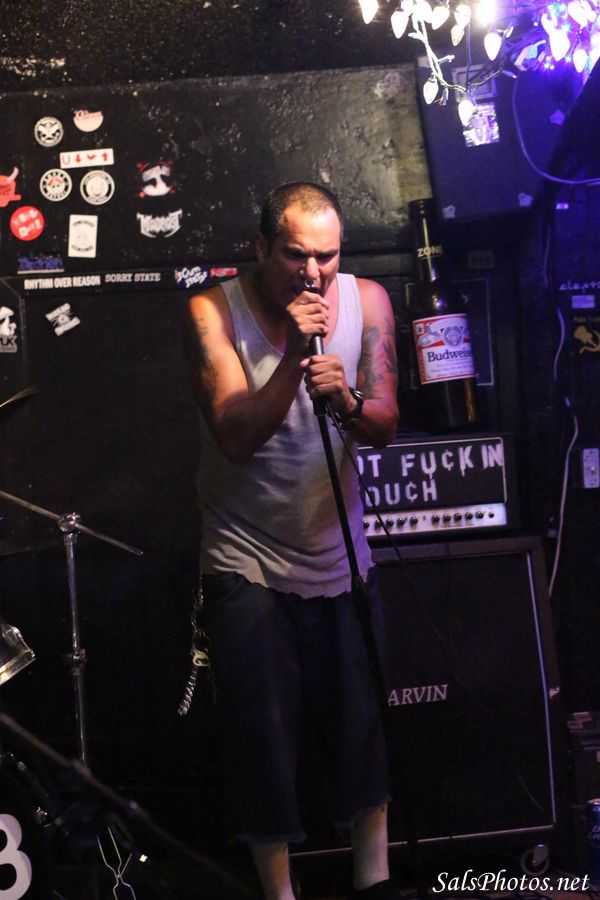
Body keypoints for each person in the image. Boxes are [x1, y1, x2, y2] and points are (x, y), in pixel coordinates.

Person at [185, 182, 399, 900]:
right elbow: (235, 435)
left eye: (327, 258)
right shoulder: (214, 311)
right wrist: (295, 358)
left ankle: (375, 880)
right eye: (296, 256)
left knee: (363, 726)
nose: (313, 274)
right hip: (246, 555)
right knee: (263, 736)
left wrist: (346, 398)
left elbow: (385, 424)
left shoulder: (368, 302)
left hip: (341, 551)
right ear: (261, 248)